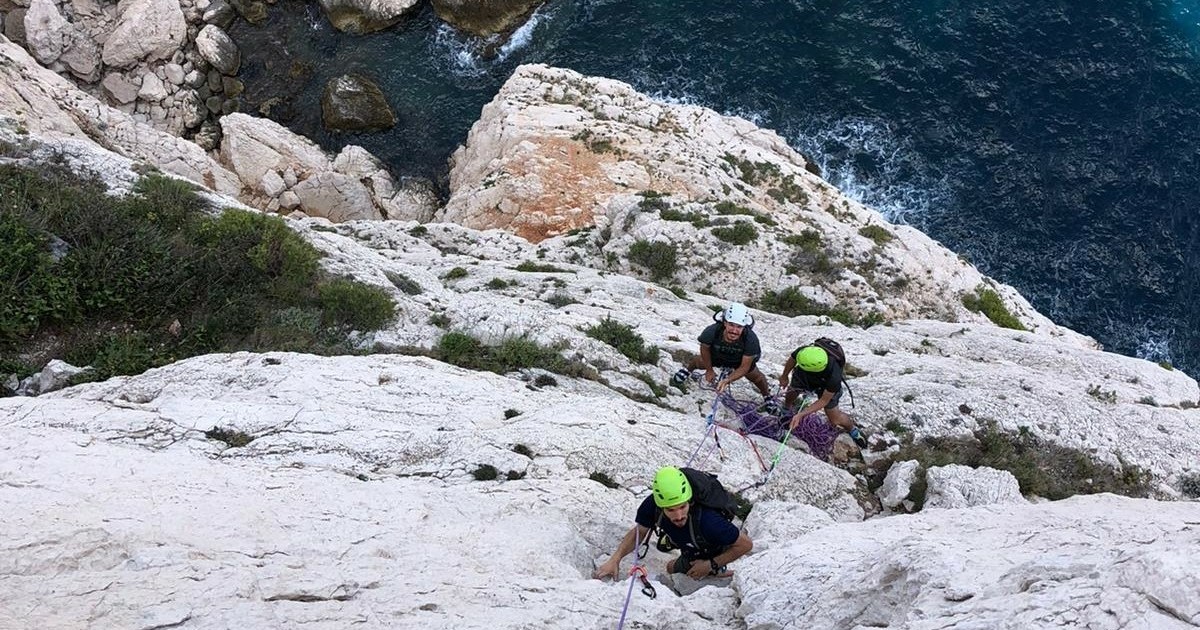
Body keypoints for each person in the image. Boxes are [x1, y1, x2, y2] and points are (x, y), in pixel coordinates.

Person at [593, 467, 752, 581]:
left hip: (710, 547)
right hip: (690, 540)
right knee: (670, 568)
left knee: (677, 568)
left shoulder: (709, 521)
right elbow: (639, 532)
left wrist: (711, 565)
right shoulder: (652, 504)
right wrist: (615, 559)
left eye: (683, 507)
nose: (678, 515)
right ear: (661, 506)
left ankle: (696, 554)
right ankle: (676, 541)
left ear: (689, 501)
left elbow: (745, 545)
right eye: (670, 510)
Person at [671, 302, 774, 404]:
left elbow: (744, 367)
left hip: (738, 360)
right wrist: (709, 370)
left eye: (739, 327)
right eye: (731, 325)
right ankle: (688, 370)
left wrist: (727, 380)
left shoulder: (751, 340)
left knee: (758, 377)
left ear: (744, 327)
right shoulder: (712, 331)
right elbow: (704, 349)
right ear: (725, 323)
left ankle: (767, 396)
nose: (734, 330)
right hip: (717, 354)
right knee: (699, 361)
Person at [779, 344, 869, 449]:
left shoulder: (834, 377)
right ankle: (786, 408)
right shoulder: (805, 353)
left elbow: (823, 401)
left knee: (835, 418)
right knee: (792, 392)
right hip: (803, 375)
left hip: (825, 384)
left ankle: (852, 430)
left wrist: (801, 414)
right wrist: (784, 376)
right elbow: (793, 358)